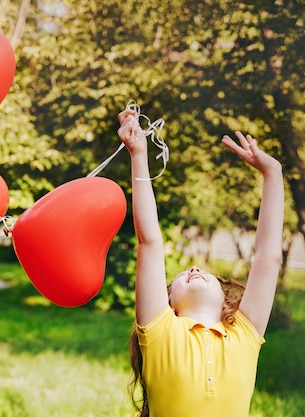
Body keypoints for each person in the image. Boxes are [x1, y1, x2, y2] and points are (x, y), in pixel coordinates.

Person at [117, 107, 284, 417]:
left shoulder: (244, 334)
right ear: (169, 304)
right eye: (180, 277)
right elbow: (149, 241)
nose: (193, 270)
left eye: (201, 272)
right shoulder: (161, 331)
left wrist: (272, 174)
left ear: (225, 300)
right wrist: (138, 153)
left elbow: (268, 257)